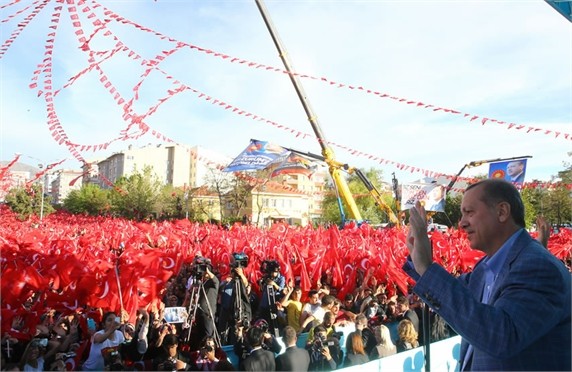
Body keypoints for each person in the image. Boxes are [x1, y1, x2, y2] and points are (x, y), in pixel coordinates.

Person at [405, 178, 571, 370]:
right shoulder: (486, 266)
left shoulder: (538, 268)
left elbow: (502, 336)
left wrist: (427, 268)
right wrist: (420, 265)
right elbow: (459, 296)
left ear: (502, 212)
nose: (462, 223)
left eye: (469, 212)